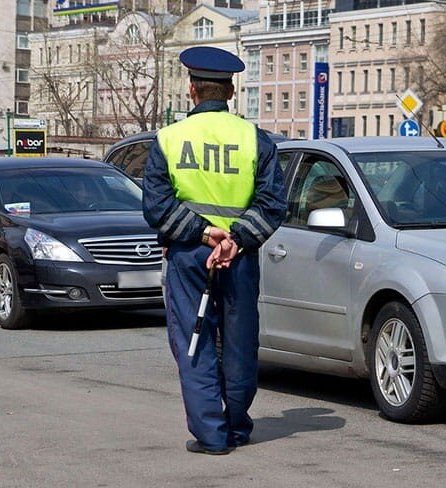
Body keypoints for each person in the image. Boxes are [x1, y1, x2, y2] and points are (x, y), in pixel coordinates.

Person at [142, 46, 286, 455]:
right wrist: (234, 239)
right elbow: (273, 204)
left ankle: (211, 434)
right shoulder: (255, 139)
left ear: (191, 90)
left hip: (190, 255)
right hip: (238, 257)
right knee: (240, 341)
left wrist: (206, 235)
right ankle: (237, 426)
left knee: (195, 340)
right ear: (231, 90)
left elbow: (157, 208)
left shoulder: (169, 139)